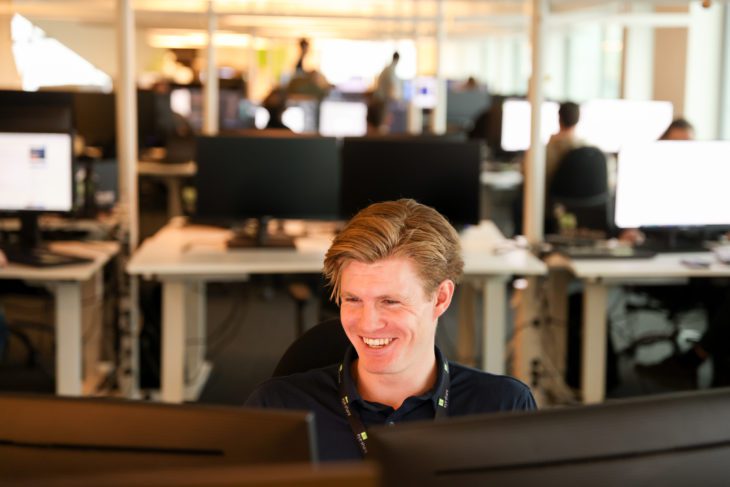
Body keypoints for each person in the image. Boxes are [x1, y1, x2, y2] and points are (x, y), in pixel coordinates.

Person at [245, 199, 536, 462]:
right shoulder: (278, 406)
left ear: (441, 298)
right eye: (353, 300)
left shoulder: (502, 407)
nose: (368, 323)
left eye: (390, 302)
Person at [545, 101, 583, 192]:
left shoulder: (549, 149)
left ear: (559, 118)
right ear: (578, 119)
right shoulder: (590, 149)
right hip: (587, 203)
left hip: (554, 201)